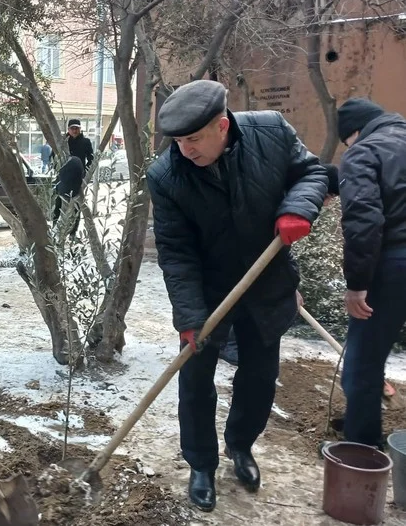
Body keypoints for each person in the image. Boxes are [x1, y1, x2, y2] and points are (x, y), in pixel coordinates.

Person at [146, 80, 327, 512]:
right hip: (208, 292)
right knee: (195, 381)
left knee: (260, 377)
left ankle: (241, 447)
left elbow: (313, 172)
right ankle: (201, 464)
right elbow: (176, 251)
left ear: (222, 125)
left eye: (193, 138)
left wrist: (298, 209)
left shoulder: (272, 132)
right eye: (177, 140)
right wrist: (190, 316)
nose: (184, 149)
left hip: (266, 280)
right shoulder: (166, 175)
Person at [335, 98, 406, 450]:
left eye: (346, 141)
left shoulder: (364, 153)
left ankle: (362, 449)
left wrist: (357, 285)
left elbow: (364, 221)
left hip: (393, 265)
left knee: (362, 363)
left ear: (356, 132)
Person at [219, 163, 341, 366]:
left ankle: (233, 343)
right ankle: (228, 344)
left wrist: (290, 285)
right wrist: (288, 286)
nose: (327, 204)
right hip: (242, 255)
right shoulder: (283, 199)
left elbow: (282, 249)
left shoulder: (294, 201)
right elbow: (269, 245)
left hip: (258, 257)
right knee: (250, 300)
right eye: (328, 196)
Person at [51, 155, 85, 237]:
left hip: (64, 189)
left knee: (58, 209)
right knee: (75, 211)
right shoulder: (76, 160)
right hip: (75, 190)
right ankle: (72, 233)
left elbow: (58, 174)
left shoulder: (65, 161)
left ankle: (56, 229)